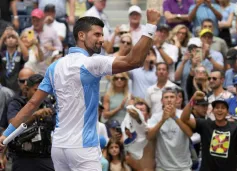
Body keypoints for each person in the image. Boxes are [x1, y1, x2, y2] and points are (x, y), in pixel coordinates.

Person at [0, 10, 161, 171]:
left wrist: (5, 135)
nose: (102, 39)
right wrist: (151, 25)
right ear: (81, 35)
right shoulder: (92, 64)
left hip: (59, 148)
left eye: (102, 35)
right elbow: (135, 60)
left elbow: (32, 104)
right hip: (83, 148)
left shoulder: (54, 66)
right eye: (97, 35)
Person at [181, 91, 237, 171]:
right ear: (212, 111)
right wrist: (193, 99)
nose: (219, 110)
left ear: (227, 112)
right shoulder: (205, 124)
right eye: (217, 108)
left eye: (223, 108)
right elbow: (184, 118)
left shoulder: (235, 127)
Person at [5, 74, 55, 171]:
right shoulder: (16, 103)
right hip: (23, 157)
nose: (41, 93)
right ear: (26, 90)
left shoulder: (48, 104)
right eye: (36, 90)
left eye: (43, 90)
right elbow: (12, 125)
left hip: (46, 157)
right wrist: (35, 115)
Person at [147, 87, 193, 171]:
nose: (169, 100)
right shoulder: (155, 117)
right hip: (163, 167)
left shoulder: (185, 114)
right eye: (166, 97)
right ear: (162, 101)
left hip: (183, 166)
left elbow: (190, 134)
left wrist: (174, 117)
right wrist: (162, 120)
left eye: (172, 97)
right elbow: (149, 136)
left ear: (177, 100)